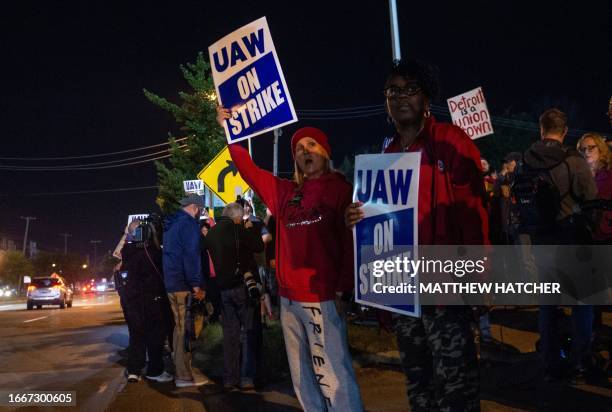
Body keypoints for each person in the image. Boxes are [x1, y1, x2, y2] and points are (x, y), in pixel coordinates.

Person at [346, 59, 488, 412]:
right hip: (403, 291)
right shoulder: (387, 154)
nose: (401, 97)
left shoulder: (451, 141)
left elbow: (474, 214)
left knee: (456, 389)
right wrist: (356, 215)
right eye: (393, 90)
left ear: (426, 99)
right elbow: (379, 224)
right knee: (419, 385)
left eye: (410, 89)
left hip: (445, 289)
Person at [217, 106, 363, 411]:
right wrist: (230, 133)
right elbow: (250, 171)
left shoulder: (342, 189)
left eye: (311, 145)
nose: (304, 151)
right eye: (298, 148)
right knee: (302, 377)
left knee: (332, 375)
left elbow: (351, 241)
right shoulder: (286, 193)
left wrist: (343, 288)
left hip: (322, 297)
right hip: (289, 300)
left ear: (325, 152)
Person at [514, 109, 597, 382]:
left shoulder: (525, 160)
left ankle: (550, 361)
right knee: (582, 301)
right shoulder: (571, 160)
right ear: (564, 131)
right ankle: (580, 361)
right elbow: (590, 197)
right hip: (570, 239)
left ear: (541, 129)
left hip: (540, 242)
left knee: (548, 304)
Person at [204, 202, 265, 391]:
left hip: (222, 289)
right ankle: (247, 378)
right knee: (247, 332)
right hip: (242, 287)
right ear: (237, 217)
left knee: (230, 335)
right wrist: (249, 228)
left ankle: (230, 379)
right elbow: (258, 246)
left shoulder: (212, 233)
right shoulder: (239, 230)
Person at [120, 216, 173, 383]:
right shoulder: (153, 253)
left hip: (133, 300)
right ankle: (154, 370)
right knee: (155, 336)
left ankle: (134, 370)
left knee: (136, 335)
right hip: (153, 299)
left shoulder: (127, 252)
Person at [162, 193, 207, 388]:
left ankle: (180, 369)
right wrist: (196, 284)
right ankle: (183, 375)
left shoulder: (170, 224)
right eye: (201, 211)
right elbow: (191, 256)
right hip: (183, 285)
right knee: (185, 329)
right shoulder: (189, 225)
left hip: (171, 283)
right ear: (195, 208)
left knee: (178, 326)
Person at [577, 132, 612, 242]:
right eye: (582, 149)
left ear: (601, 149)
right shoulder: (581, 176)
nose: (586, 152)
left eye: (591, 148)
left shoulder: (609, 174)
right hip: (588, 235)